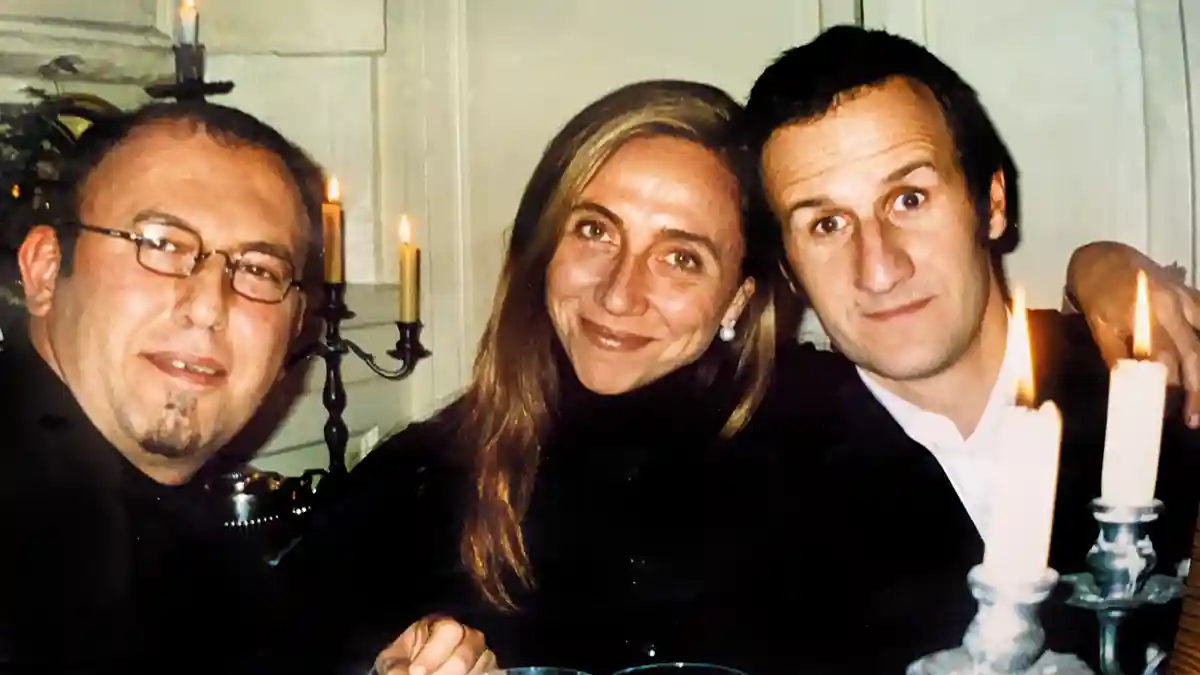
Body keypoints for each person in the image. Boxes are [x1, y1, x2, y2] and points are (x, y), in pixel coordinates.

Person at [277, 75, 1195, 674]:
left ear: (739, 296)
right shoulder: (432, 465)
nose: (621, 292)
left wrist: (1106, 274)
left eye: (681, 256)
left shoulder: (834, 433)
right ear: (544, 246)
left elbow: (997, 642)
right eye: (595, 230)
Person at [731, 24, 1200, 673]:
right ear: (788, 267)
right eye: (826, 223)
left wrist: (1101, 264)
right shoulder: (751, 478)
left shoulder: (1158, 391)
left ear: (992, 204)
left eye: (909, 198)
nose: (879, 268)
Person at [0, 101, 491, 675]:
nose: (210, 306)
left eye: (259, 270)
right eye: (161, 244)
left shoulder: (188, 534)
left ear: (295, 324)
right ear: (44, 270)